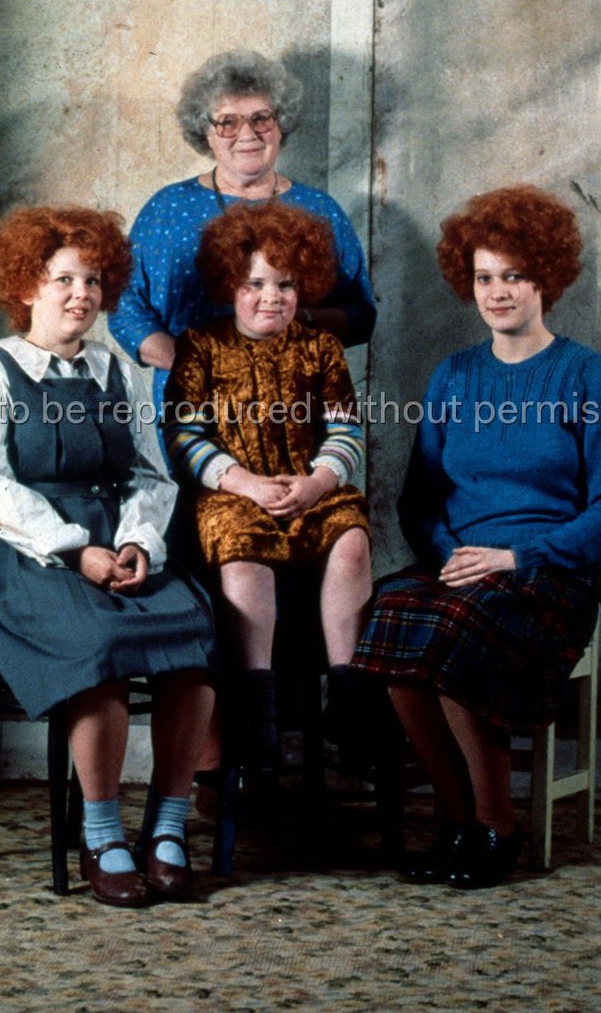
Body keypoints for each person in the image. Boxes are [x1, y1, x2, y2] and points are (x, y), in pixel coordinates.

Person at [351, 184, 601, 889]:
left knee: (456, 630)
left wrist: (517, 555)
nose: (498, 292)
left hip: (551, 574)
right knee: (391, 615)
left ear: (546, 279)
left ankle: (497, 825)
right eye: (484, 278)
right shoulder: (453, 376)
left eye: (514, 276)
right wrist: (451, 555)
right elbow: (419, 501)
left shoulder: (585, 373)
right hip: (464, 566)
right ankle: (460, 820)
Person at [0, 206, 216, 909]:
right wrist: (75, 552)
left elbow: (150, 474)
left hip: (116, 539)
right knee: (100, 645)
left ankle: (166, 826)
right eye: (63, 279)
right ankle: (101, 836)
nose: (82, 294)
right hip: (25, 553)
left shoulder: (117, 370)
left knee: (195, 639)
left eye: (93, 280)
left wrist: (137, 542)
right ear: (26, 287)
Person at [163, 202, 373, 776]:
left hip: (308, 484)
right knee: (241, 547)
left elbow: (346, 428)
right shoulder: (201, 347)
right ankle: (258, 707)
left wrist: (319, 481)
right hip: (233, 491)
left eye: (285, 285)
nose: (271, 298)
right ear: (230, 284)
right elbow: (183, 434)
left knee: (351, 535)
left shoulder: (320, 347)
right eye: (254, 284)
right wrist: (244, 482)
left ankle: (347, 696)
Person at [108, 49, 376, 443]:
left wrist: (295, 319)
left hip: (295, 408)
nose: (247, 134)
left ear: (281, 125)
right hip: (194, 410)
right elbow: (125, 307)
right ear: (205, 132)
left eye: (261, 118)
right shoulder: (167, 208)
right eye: (228, 122)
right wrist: (198, 367)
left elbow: (360, 314)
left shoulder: (320, 209)